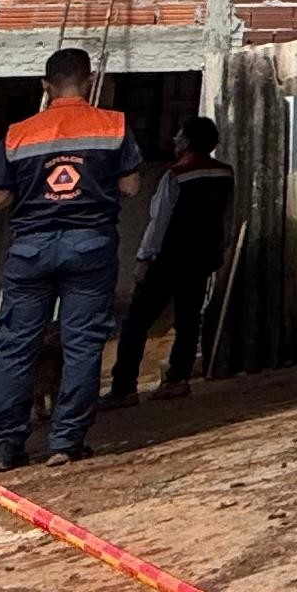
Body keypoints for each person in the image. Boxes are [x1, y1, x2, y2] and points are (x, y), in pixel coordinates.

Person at [0, 48, 141, 469]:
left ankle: (5, 448)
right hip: (90, 245)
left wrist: (32, 191)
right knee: (82, 344)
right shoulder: (114, 125)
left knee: (14, 347)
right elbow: (131, 188)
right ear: (89, 81)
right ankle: (66, 442)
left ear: (44, 86)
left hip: (30, 248)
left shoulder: (18, 133)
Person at [114, 115, 234, 408]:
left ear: (188, 141)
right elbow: (227, 216)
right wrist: (220, 248)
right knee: (188, 319)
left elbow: (160, 221)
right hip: (201, 257)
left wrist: (144, 257)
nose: (175, 141)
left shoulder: (176, 174)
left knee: (137, 322)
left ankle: (124, 388)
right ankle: (177, 379)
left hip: (168, 258)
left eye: (179, 136)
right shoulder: (224, 173)